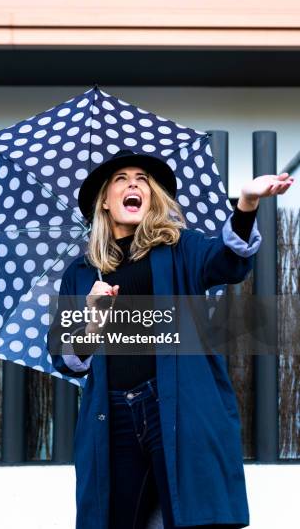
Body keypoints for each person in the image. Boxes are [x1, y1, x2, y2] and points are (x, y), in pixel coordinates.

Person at [47, 148, 294, 529]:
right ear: (106, 204)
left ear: (151, 198)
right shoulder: (80, 273)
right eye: (121, 180)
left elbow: (230, 261)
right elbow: (65, 357)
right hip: (113, 417)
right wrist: (93, 321)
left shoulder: (180, 248)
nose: (133, 184)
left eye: (142, 179)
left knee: (192, 515)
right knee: (115, 519)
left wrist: (245, 202)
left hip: (178, 406)